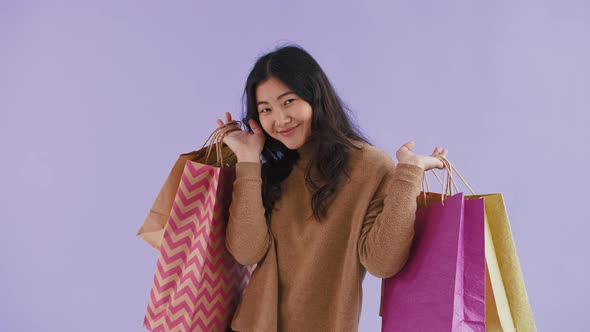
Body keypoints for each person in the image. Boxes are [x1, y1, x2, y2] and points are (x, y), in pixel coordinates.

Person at [215, 44, 448, 332]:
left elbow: (381, 262)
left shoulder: (369, 166)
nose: (280, 119)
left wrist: (409, 174)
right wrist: (248, 162)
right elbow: (246, 252)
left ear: (315, 95)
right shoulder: (268, 172)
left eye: (288, 101)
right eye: (266, 109)